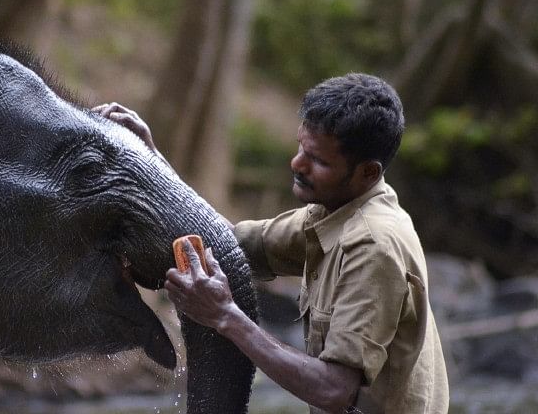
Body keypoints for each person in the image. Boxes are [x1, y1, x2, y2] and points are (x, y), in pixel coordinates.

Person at [92, 73, 449, 413]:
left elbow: (334, 390)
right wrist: (152, 163)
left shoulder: (373, 245)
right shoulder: (333, 212)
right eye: (300, 148)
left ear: (368, 172)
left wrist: (225, 316)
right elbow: (226, 245)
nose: (296, 164)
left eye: (318, 161)